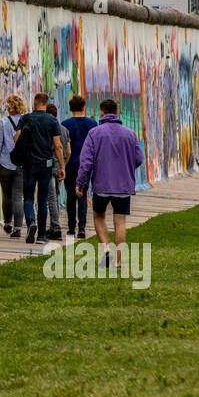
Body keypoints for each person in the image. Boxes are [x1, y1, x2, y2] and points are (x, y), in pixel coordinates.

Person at [76, 98, 144, 269]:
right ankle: (118, 262)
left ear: (101, 113)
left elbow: (86, 162)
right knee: (120, 222)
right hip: (123, 186)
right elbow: (138, 159)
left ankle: (106, 251)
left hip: (102, 184)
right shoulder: (130, 133)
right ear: (117, 113)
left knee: (99, 216)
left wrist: (81, 182)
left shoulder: (94, 133)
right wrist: (126, 167)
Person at [18, 92, 65, 244]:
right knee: (43, 200)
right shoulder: (52, 120)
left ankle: (31, 222)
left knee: (29, 198)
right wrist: (62, 166)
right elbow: (58, 146)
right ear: (46, 103)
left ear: (35, 102)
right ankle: (42, 236)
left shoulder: (26, 118)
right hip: (46, 165)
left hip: (29, 164)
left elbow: (16, 138)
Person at [61, 95, 98, 239]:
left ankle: (71, 228)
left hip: (70, 164)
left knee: (70, 195)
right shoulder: (92, 124)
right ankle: (82, 227)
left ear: (70, 108)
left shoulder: (65, 124)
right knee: (83, 194)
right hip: (86, 165)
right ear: (84, 107)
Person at [0, 95, 27, 234]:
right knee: (18, 196)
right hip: (20, 165)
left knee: (6, 195)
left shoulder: (3, 122)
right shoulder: (25, 121)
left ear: (8, 106)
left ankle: (7, 223)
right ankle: (18, 228)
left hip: (4, 163)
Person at [45, 102, 70, 241]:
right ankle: (53, 226)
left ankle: (56, 227)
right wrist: (63, 166)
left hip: (50, 166)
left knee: (51, 198)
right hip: (60, 167)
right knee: (56, 197)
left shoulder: (47, 129)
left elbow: (58, 147)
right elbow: (69, 151)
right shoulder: (64, 130)